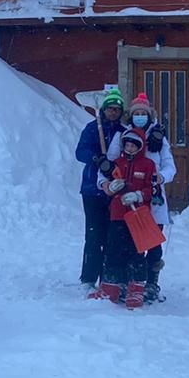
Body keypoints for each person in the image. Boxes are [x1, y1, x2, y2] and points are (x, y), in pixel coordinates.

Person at [94, 129, 158, 309]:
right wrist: (112, 187)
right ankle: (110, 288)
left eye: (133, 145)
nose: (130, 149)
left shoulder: (148, 165)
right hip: (117, 215)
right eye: (127, 145)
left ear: (140, 147)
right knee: (113, 251)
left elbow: (152, 190)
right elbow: (106, 183)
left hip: (137, 215)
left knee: (136, 253)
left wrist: (138, 195)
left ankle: (136, 289)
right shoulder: (117, 164)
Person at [124, 92, 176, 302]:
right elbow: (114, 158)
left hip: (153, 197)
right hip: (131, 196)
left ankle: (152, 282)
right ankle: (134, 281)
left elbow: (169, 165)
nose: (139, 116)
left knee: (153, 241)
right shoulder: (125, 135)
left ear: (149, 115)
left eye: (142, 113)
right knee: (133, 241)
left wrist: (161, 177)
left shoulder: (158, 137)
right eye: (136, 113)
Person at [74, 87, 125, 289]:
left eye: (116, 109)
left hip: (114, 189)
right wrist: (96, 157)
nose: (113, 112)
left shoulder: (123, 132)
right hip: (91, 190)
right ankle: (88, 278)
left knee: (111, 235)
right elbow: (80, 152)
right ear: (103, 110)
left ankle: (108, 276)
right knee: (94, 235)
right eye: (110, 108)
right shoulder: (93, 128)